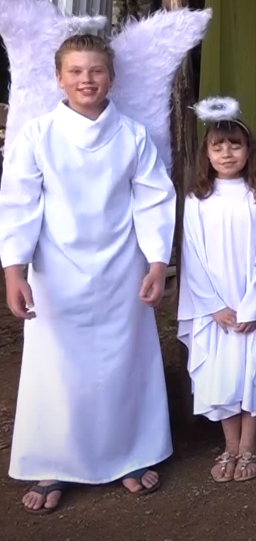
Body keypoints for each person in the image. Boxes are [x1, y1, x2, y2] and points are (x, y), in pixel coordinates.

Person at [1, 35, 178, 513]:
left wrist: (156, 262)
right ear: (59, 78)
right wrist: (14, 270)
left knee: (123, 362)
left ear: (112, 78)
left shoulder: (132, 136)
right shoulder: (37, 135)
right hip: (56, 270)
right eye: (76, 71)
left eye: (96, 70)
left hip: (122, 268)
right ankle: (55, 461)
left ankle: (130, 453)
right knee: (58, 368)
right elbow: (19, 203)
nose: (86, 80)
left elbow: (153, 199)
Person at [179, 97, 256, 483]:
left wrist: (254, 307)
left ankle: (249, 446)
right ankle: (229, 446)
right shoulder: (197, 201)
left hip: (252, 306)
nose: (227, 153)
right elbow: (193, 257)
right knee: (222, 375)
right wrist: (213, 305)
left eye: (235, 145)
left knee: (251, 372)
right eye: (218, 146)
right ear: (207, 153)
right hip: (216, 308)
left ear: (249, 151)